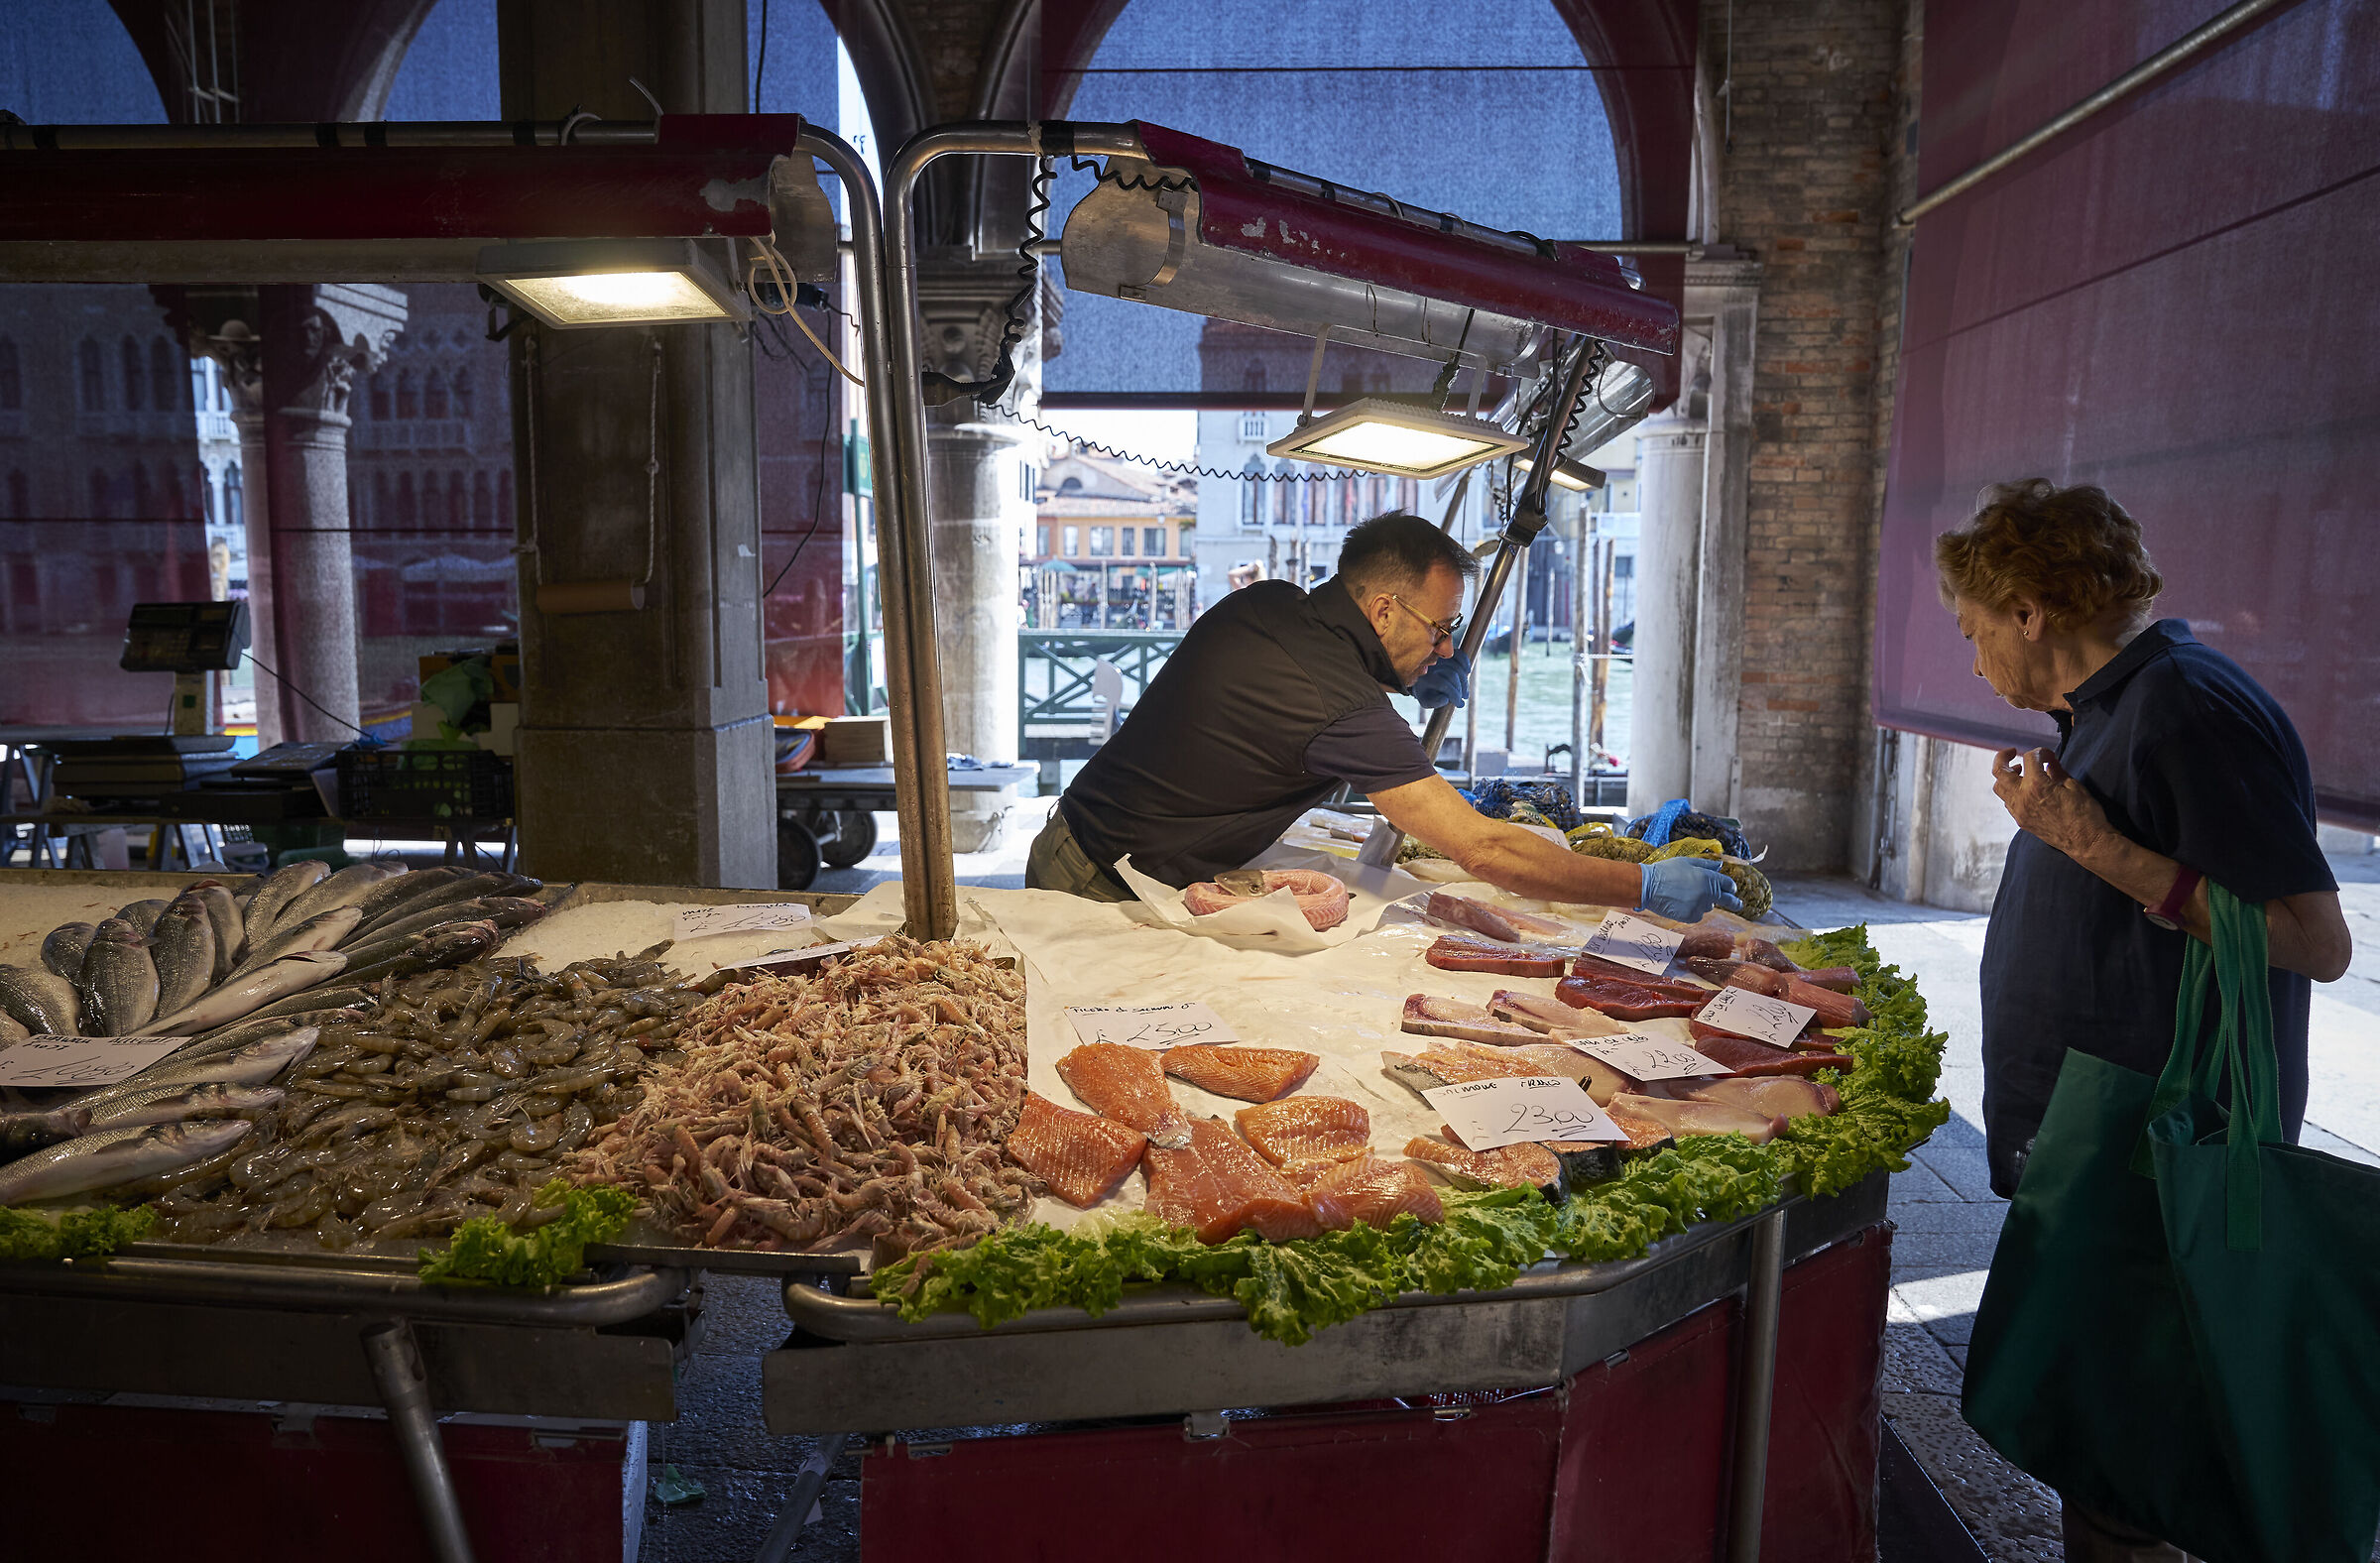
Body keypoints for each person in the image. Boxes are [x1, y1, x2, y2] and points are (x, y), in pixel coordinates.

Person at [1936, 479, 2351, 1563]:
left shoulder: (2187, 705)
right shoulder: (2112, 706)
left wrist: (2098, 848)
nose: (1973, 662)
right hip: (2094, 1133)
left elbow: (2314, 939)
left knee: (2127, 1457)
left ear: (2029, 610)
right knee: (2097, 1443)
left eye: (1976, 632)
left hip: (2154, 1152)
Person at [1026, 511, 1740, 921]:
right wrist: (1640, 887)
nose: (1450, 646)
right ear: (1382, 610)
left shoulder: (1272, 601)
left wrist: (1411, 674)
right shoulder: (1338, 705)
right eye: (1440, 629)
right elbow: (1483, 850)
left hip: (1085, 837)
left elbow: (1309, 685)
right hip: (1093, 883)